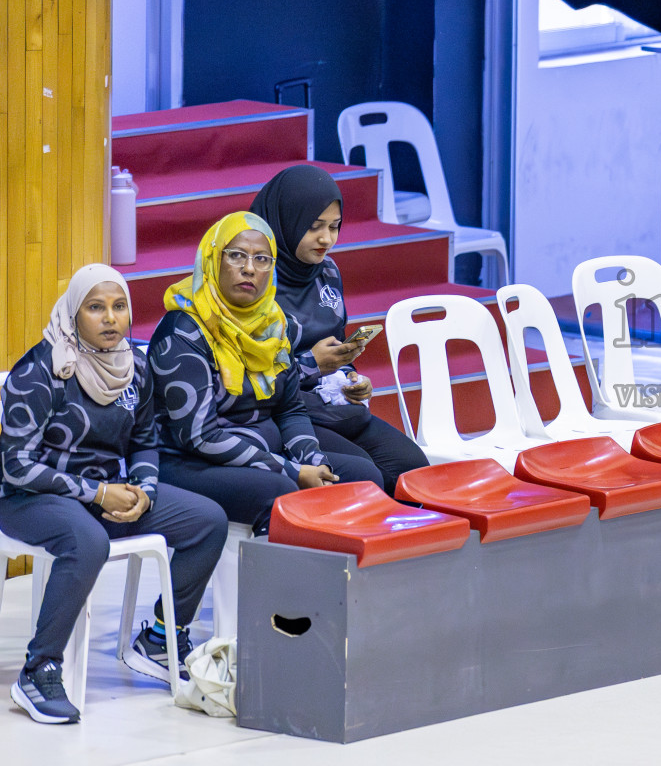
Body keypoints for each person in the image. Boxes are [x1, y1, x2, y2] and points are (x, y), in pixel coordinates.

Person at [1, 266, 227, 725]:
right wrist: (97, 492)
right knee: (87, 542)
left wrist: (143, 490)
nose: (110, 319)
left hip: (104, 494)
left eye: (119, 306)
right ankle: (38, 669)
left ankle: (161, 639)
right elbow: (15, 465)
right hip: (27, 497)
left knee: (208, 520)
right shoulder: (42, 368)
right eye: (95, 307)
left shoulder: (135, 366)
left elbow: (144, 440)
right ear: (74, 313)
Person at [150, 212, 383, 534]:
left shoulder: (272, 324)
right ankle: (277, 582)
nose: (249, 268)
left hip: (263, 453)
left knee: (362, 476)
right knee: (279, 493)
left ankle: (335, 578)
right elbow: (198, 437)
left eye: (261, 259)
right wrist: (292, 470)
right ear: (212, 260)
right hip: (188, 460)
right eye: (236, 256)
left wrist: (311, 459)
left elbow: (290, 408)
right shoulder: (182, 333)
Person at [251, 165, 428, 495]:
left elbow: (333, 342)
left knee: (411, 468)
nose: (326, 239)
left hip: (330, 405)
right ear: (284, 221)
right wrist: (311, 365)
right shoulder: (253, 279)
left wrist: (349, 377)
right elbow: (249, 377)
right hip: (279, 413)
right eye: (314, 227)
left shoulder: (326, 271)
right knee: (365, 476)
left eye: (334, 227)